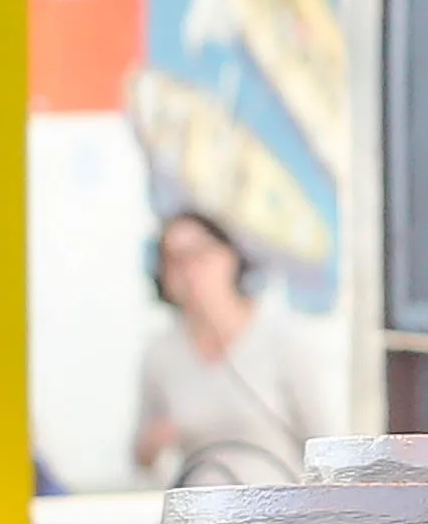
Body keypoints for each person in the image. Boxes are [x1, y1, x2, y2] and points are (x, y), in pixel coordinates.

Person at [133, 204, 340, 488]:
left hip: (277, 507)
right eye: (175, 260)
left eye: (199, 254)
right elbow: (140, 455)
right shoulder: (160, 355)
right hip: (200, 510)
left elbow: (321, 441)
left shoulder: (281, 341)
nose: (190, 271)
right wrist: (154, 443)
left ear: (229, 257)